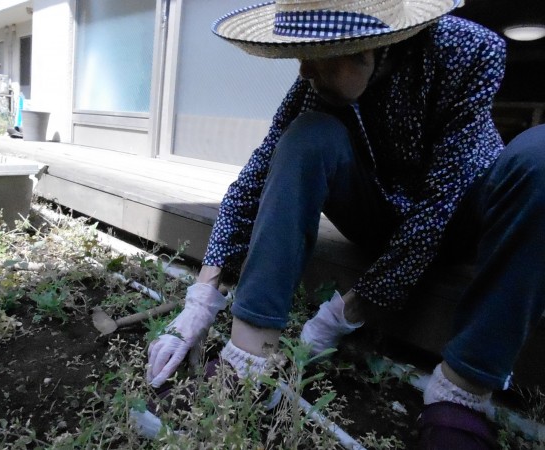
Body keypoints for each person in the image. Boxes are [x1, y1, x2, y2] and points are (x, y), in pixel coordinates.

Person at [147, 0, 545, 447]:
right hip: (376, 216)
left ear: (367, 47)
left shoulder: (466, 52)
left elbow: (441, 202)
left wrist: (343, 314)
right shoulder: (319, 86)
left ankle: (462, 394)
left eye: (317, 56)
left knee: (540, 155)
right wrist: (202, 296)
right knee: (306, 135)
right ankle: (248, 355)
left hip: (463, 216)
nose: (303, 71)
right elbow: (255, 178)